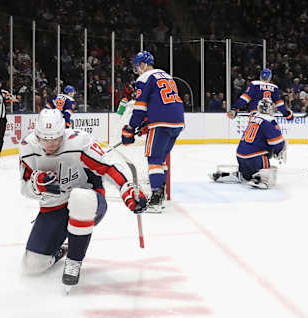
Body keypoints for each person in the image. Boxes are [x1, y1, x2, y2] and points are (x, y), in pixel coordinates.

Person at [19, 108, 147, 290]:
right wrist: (36, 185)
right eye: (44, 139)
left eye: (55, 139)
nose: (49, 145)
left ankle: (74, 260)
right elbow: (24, 189)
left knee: (80, 199)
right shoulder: (27, 148)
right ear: (37, 135)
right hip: (53, 207)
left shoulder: (79, 142)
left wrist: (127, 189)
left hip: (89, 199)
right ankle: (60, 249)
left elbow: (108, 167)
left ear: (63, 133)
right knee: (32, 265)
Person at [121, 51, 185, 213]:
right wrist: (145, 123)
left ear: (143, 64)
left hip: (161, 122)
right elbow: (162, 101)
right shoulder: (166, 75)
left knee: (154, 159)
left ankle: (156, 198)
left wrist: (130, 128)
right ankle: (160, 194)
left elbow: (140, 106)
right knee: (161, 159)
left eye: (137, 66)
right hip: (177, 121)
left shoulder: (144, 77)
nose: (137, 70)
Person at [211, 98, 286, 189]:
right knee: (266, 163)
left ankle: (229, 175)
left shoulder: (254, 118)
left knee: (245, 176)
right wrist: (279, 151)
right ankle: (260, 179)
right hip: (255, 157)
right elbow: (277, 142)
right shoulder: (269, 121)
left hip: (240, 155)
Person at [228, 68, 294, 120]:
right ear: (270, 78)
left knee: (253, 136)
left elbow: (245, 98)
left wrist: (235, 108)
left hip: (255, 115)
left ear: (260, 77)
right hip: (269, 117)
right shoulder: (274, 88)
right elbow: (279, 104)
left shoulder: (254, 84)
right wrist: (287, 114)